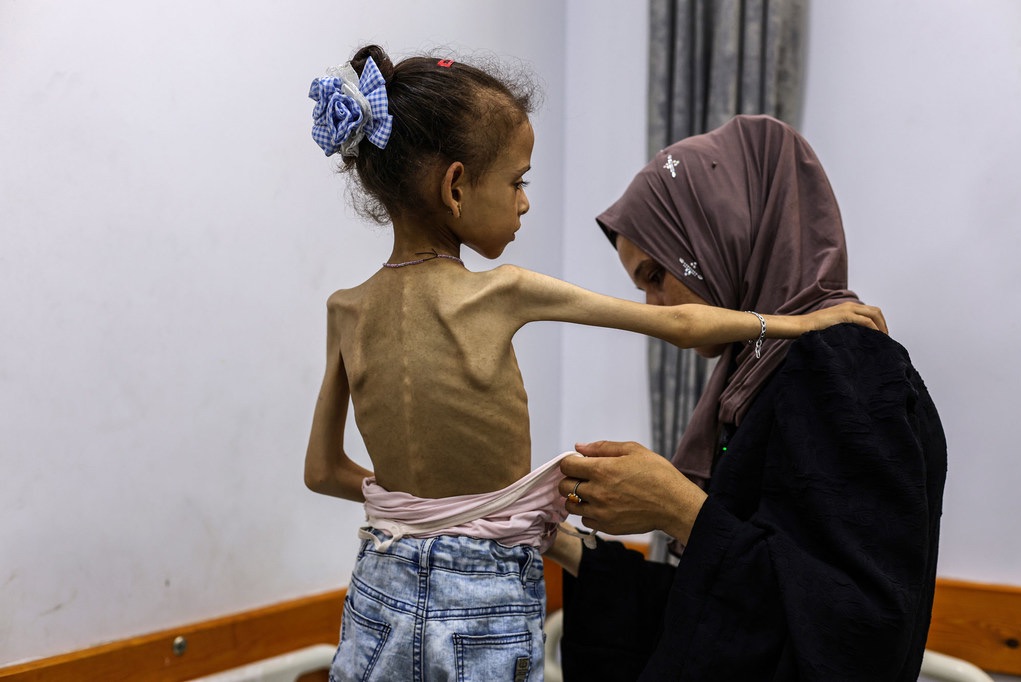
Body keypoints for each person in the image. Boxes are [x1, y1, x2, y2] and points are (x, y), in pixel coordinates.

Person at [303, 46, 885, 682]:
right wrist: (798, 322)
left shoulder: (345, 310)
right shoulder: (502, 292)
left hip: (378, 587)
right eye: (518, 182)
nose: (524, 203)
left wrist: (427, 510)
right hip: (481, 597)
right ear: (456, 186)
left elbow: (322, 471)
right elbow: (680, 323)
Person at [551, 115, 948, 681]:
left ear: (722, 234)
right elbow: (719, 617)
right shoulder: (755, 378)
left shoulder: (845, 368)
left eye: (657, 276)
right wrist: (563, 543)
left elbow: (856, 634)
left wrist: (679, 509)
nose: (654, 311)